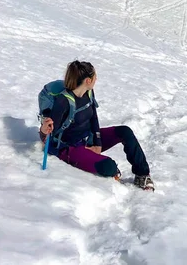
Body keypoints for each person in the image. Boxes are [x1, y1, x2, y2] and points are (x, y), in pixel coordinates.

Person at [39, 60, 154, 191]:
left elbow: (94, 118)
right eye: (95, 77)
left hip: (88, 139)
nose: (96, 79)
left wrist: (97, 143)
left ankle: (142, 174)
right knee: (108, 166)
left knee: (125, 131)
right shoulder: (63, 101)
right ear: (88, 80)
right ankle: (113, 172)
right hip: (70, 148)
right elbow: (49, 134)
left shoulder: (89, 93)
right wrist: (43, 130)